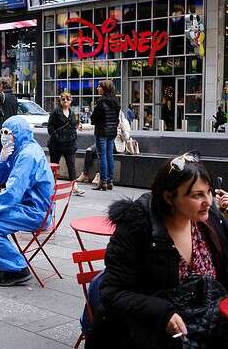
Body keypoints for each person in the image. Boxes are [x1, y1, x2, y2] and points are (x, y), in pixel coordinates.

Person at [88, 154, 228, 348]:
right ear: (169, 197)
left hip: (209, 323)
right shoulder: (138, 227)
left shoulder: (211, 218)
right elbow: (112, 292)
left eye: (209, 192)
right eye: (197, 195)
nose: (208, 201)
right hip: (150, 332)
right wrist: (163, 313)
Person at [0, 116, 55, 287]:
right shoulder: (19, 150)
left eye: (8, 133)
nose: (4, 136)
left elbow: (13, 191)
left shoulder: (27, 155)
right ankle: (4, 263)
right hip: (28, 208)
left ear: (18, 133)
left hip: (34, 212)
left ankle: (17, 269)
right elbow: (0, 181)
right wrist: (1, 160)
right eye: (2, 132)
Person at [47, 92, 83, 195]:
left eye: (67, 99)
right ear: (60, 100)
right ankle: (51, 186)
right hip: (56, 144)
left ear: (71, 101)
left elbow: (75, 125)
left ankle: (74, 186)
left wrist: (77, 128)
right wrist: (57, 137)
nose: (65, 101)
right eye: (63, 99)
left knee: (71, 165)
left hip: (69, 144)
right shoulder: (55, 112)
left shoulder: (72, 113)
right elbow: (50, 127)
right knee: (54, 165)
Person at [90, 80, 120, 191]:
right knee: (109, 156)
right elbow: (116, 118)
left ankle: (103, 182)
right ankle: (110, 181)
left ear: (105, 88)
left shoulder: (101, 101)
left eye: (99, 87)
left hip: (101, 131)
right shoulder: (116, 101)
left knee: (102, 156)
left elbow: (93, 118)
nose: (97, 88)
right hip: (112, 132)